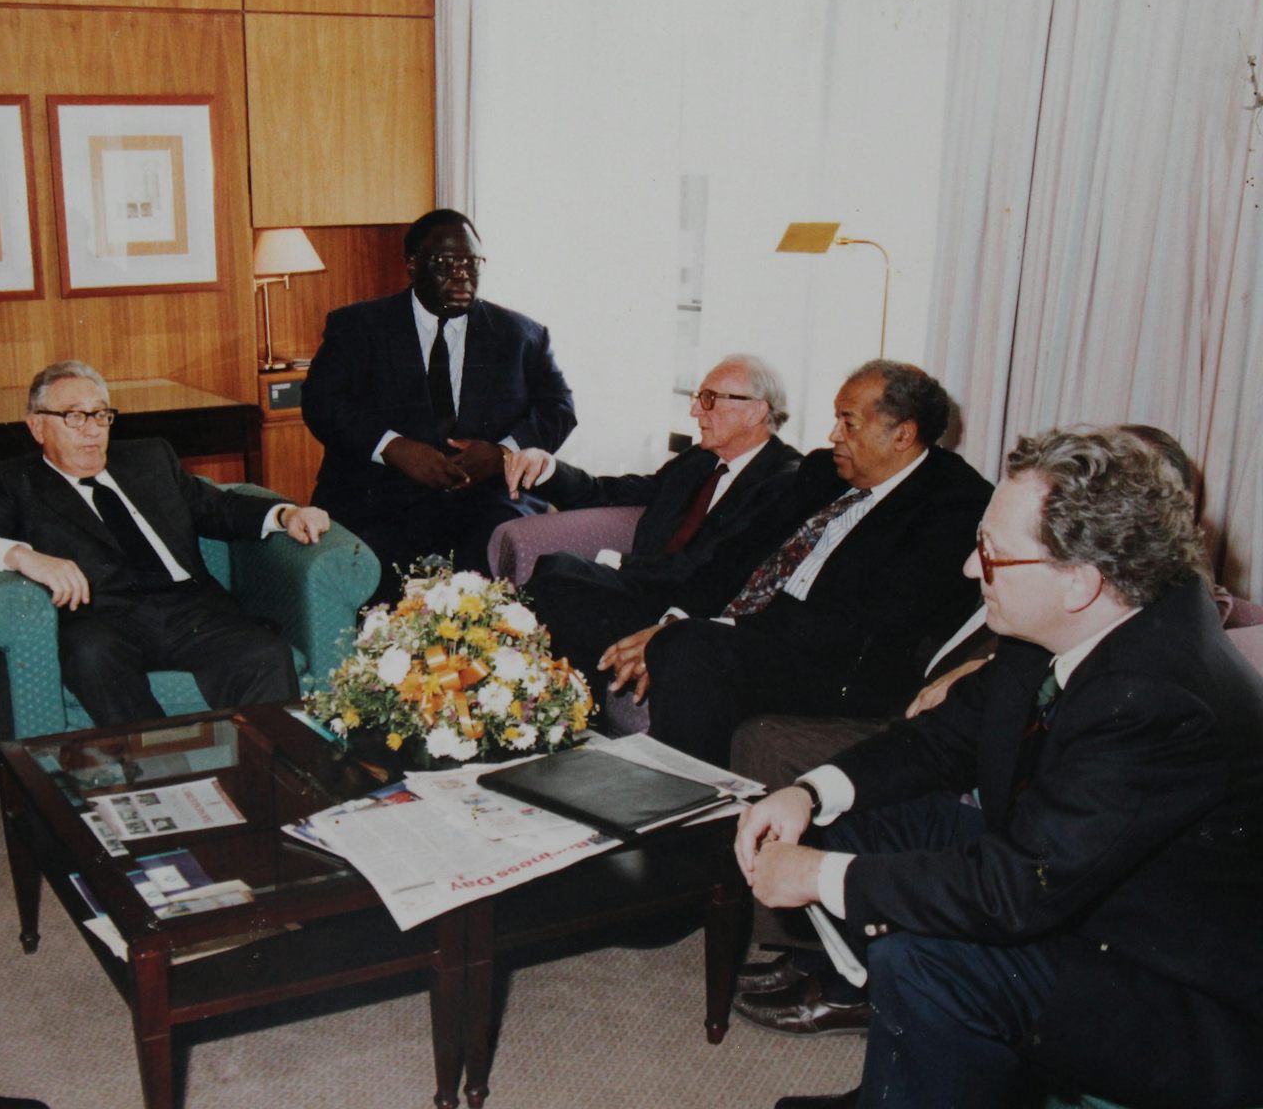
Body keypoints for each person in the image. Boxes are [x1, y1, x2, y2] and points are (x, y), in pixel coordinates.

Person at [740, 428, 1263, 1109]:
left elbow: (1015, 890)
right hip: (1092, 898)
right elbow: (945, 739)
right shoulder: (1079, 618)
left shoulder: (1162, 699)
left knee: (927, 958)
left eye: (990, 553)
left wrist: (816, 876)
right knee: (861, 826)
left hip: (1177, 993)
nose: (967, 568)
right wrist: (810, 793)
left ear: (1079, 580)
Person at [597, 359, 992, 765]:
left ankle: (684, 807)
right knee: (586, 594)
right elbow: (739, 553)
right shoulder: (824, 470)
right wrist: (676, 616)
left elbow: (865, 622)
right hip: (755, 630)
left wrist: (699, 629)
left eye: (849, 424)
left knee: (689, 649)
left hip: (837, 665)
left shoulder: (955, 505)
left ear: (902, 435)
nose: (833, 435)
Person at [0, 360, 333, 725]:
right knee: (91, 654)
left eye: (101, 416)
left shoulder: (149, 459)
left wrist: (285, 514)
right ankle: (163, 771)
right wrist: (22, 556)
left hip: (191, 612)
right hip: (103, 620)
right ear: (37, 426)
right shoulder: (14, 482)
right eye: (74, 417)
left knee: (265, 656)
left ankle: (269, 781)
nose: (91, 431)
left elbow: (218, 507)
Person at [301, 209, 576, 596]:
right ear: (412, 265)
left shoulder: (521, 335)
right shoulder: (359, 327)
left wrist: (503, 453)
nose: (462, 274)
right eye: (446, 262)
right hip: (381, 494)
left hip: (486, 499)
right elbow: (321, 403)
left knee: (491, 592)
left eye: (471, 262)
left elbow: (559, 407)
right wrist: (392, 447)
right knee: (374, 589)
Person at [507, 353, 802, 686]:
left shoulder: (784, 480)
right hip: (644, 591)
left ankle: (503, 677)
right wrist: (548, 468)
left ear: (757, 410)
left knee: (559, 576)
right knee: (558, 573)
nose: (695, 411)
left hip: (686, 609)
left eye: (709, 399)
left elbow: (716, 565)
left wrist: (618, 563)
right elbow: (617, 491)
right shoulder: (699, 460)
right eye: (697, 398)